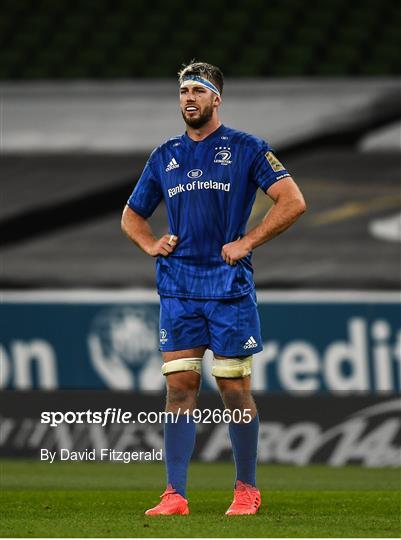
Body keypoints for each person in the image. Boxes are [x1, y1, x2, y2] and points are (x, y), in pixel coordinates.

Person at [121, 61, 306, 516]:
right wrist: (151, 243)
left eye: (197, 91)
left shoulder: (247, 148)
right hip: (178, 285)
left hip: (227, 287)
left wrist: (247, 241)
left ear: (215, 99)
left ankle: (246, 490)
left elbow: (293, 200)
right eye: (183, 90)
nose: (189, 98)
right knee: (180, 387)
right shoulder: (164, 154)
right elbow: (131, 215)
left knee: (232, 389)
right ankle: (175, 495)